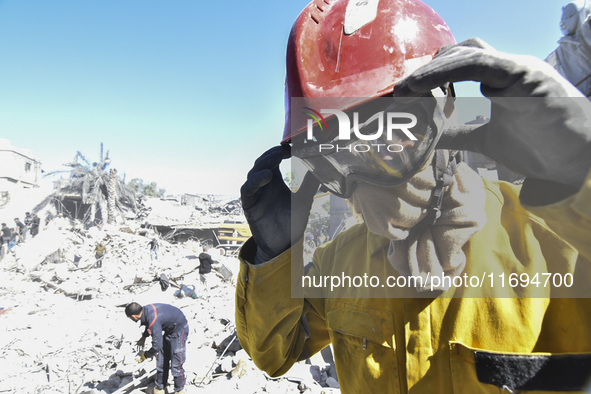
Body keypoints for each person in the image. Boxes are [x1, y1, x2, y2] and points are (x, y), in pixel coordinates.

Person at [236, 0, 591, 393]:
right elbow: (275, 354)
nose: (361, 178)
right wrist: (274, 257)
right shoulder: (338, 261)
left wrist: (581, 172)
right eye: (336, 157)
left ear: (443, 112)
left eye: (386, 140)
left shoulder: (558, 242)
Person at [125, 302, 188, 394]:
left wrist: (146, 355)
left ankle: (180, 388)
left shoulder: (153, 318)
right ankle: (160, 386)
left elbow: (157, 346)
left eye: (130, 318)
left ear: (134, 316)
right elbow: (149, 324)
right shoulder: (145, 311)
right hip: (169, 329)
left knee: (176, 362)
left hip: (179, 329)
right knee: (161, 360)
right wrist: (144, 337)